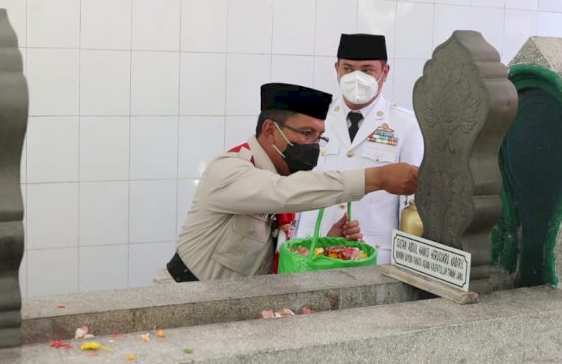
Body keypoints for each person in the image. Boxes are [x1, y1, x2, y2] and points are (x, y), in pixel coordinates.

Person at [156, 83, 419, 283]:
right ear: (270, 130)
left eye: (319, 137)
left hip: (231, 311)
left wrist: (325, 245)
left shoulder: (280, 175)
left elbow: (277, 256)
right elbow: (283, 193)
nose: (314, 145)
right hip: (180, 304)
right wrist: (377, 177)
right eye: (306, 133)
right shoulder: (229, 170)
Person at [295, 33, 424, 264]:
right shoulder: (315, 119)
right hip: (312, 251)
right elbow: (295, 187)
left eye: (366, 70)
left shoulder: (405, 125)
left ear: (385, 73)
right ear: (336, 69)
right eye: (348, 68)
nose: (356, 78)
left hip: (373, 256)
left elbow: (411, 203)